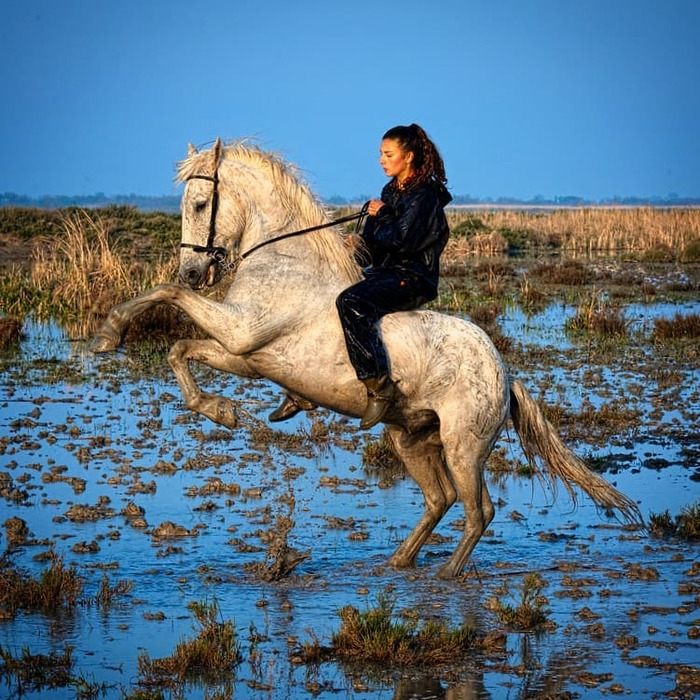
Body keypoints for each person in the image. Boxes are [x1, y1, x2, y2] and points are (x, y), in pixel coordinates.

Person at [270, 123, 452, 429]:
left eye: (388, 154)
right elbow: (377, 244)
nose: (381, 160)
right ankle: (303, 389)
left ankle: (379, 387)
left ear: (408, 157)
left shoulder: (425, 196)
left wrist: (380, 215)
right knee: (326, 297)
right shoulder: (390, 192)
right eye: (380, 154)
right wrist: (354, 247)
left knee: (351, 300)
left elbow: (402, 241)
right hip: (386, 271)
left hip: (412, 278)